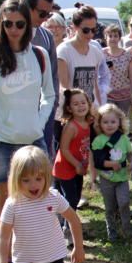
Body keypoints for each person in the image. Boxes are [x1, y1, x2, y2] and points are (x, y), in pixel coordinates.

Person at [0, 0, 55, 233]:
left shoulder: (39, 55)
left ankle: (35, 251)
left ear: (27, 26)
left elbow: (49, 95)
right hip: (0, 141)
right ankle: (5, 261)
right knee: (6, 205)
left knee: (38, 202)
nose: (14, 30)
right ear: (1, 24)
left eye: (20, 24)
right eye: (8, 24)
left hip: (33, 141)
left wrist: (38, 123)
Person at [21, 0, 61, 158]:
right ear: (28, 8)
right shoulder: (13, 31)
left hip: (43, 109)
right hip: (18, 110)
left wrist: (51, 105)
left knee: (43, 156)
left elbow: (53, 74)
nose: (45, 19)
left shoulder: (46, 36)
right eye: (41, 13)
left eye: (48, 14)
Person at [92, 103, 132, 241]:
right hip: (106, 179)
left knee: (124, 202)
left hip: (122, 178)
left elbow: (129, 153)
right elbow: (97, 161)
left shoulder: (124, 139)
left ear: (119, 122)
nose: (109, 125)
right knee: (109, 207)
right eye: (105, 122)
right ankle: (112, 232)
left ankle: (127, 229)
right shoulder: (98, 141)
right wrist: (110, 164)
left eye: (113, 121)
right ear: (100, 124)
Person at [53, 88, 93, 217]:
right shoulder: (71, 126)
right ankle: (67, 227)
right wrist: (77, 165)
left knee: (76, 197)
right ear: (69, 109)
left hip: (77, 167)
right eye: (75, 104)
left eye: (83, 102)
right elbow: (64, 149)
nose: (81, 106)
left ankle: (65, 222)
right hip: (65, 168)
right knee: (70, 200)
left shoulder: (88, 122)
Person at [57, 5, 106, 108]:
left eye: (94, 30)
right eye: (86, 30)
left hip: (91, 111)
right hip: (70, 111)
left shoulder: (96, 52)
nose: (90, 34)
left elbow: (94, 85)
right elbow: (63, 87)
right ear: (75, 27)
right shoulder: (63, 51)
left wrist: (100, 108)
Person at [102, 25, 132, 136]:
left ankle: (122, 147)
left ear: (119, 38)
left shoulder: (127, 55)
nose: (113, 39)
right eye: (110, 36)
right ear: (106, 37)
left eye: (115, 36)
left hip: (124, 94)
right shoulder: (101, 54)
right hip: (108, 94)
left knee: (121, 123)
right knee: (107, 121)